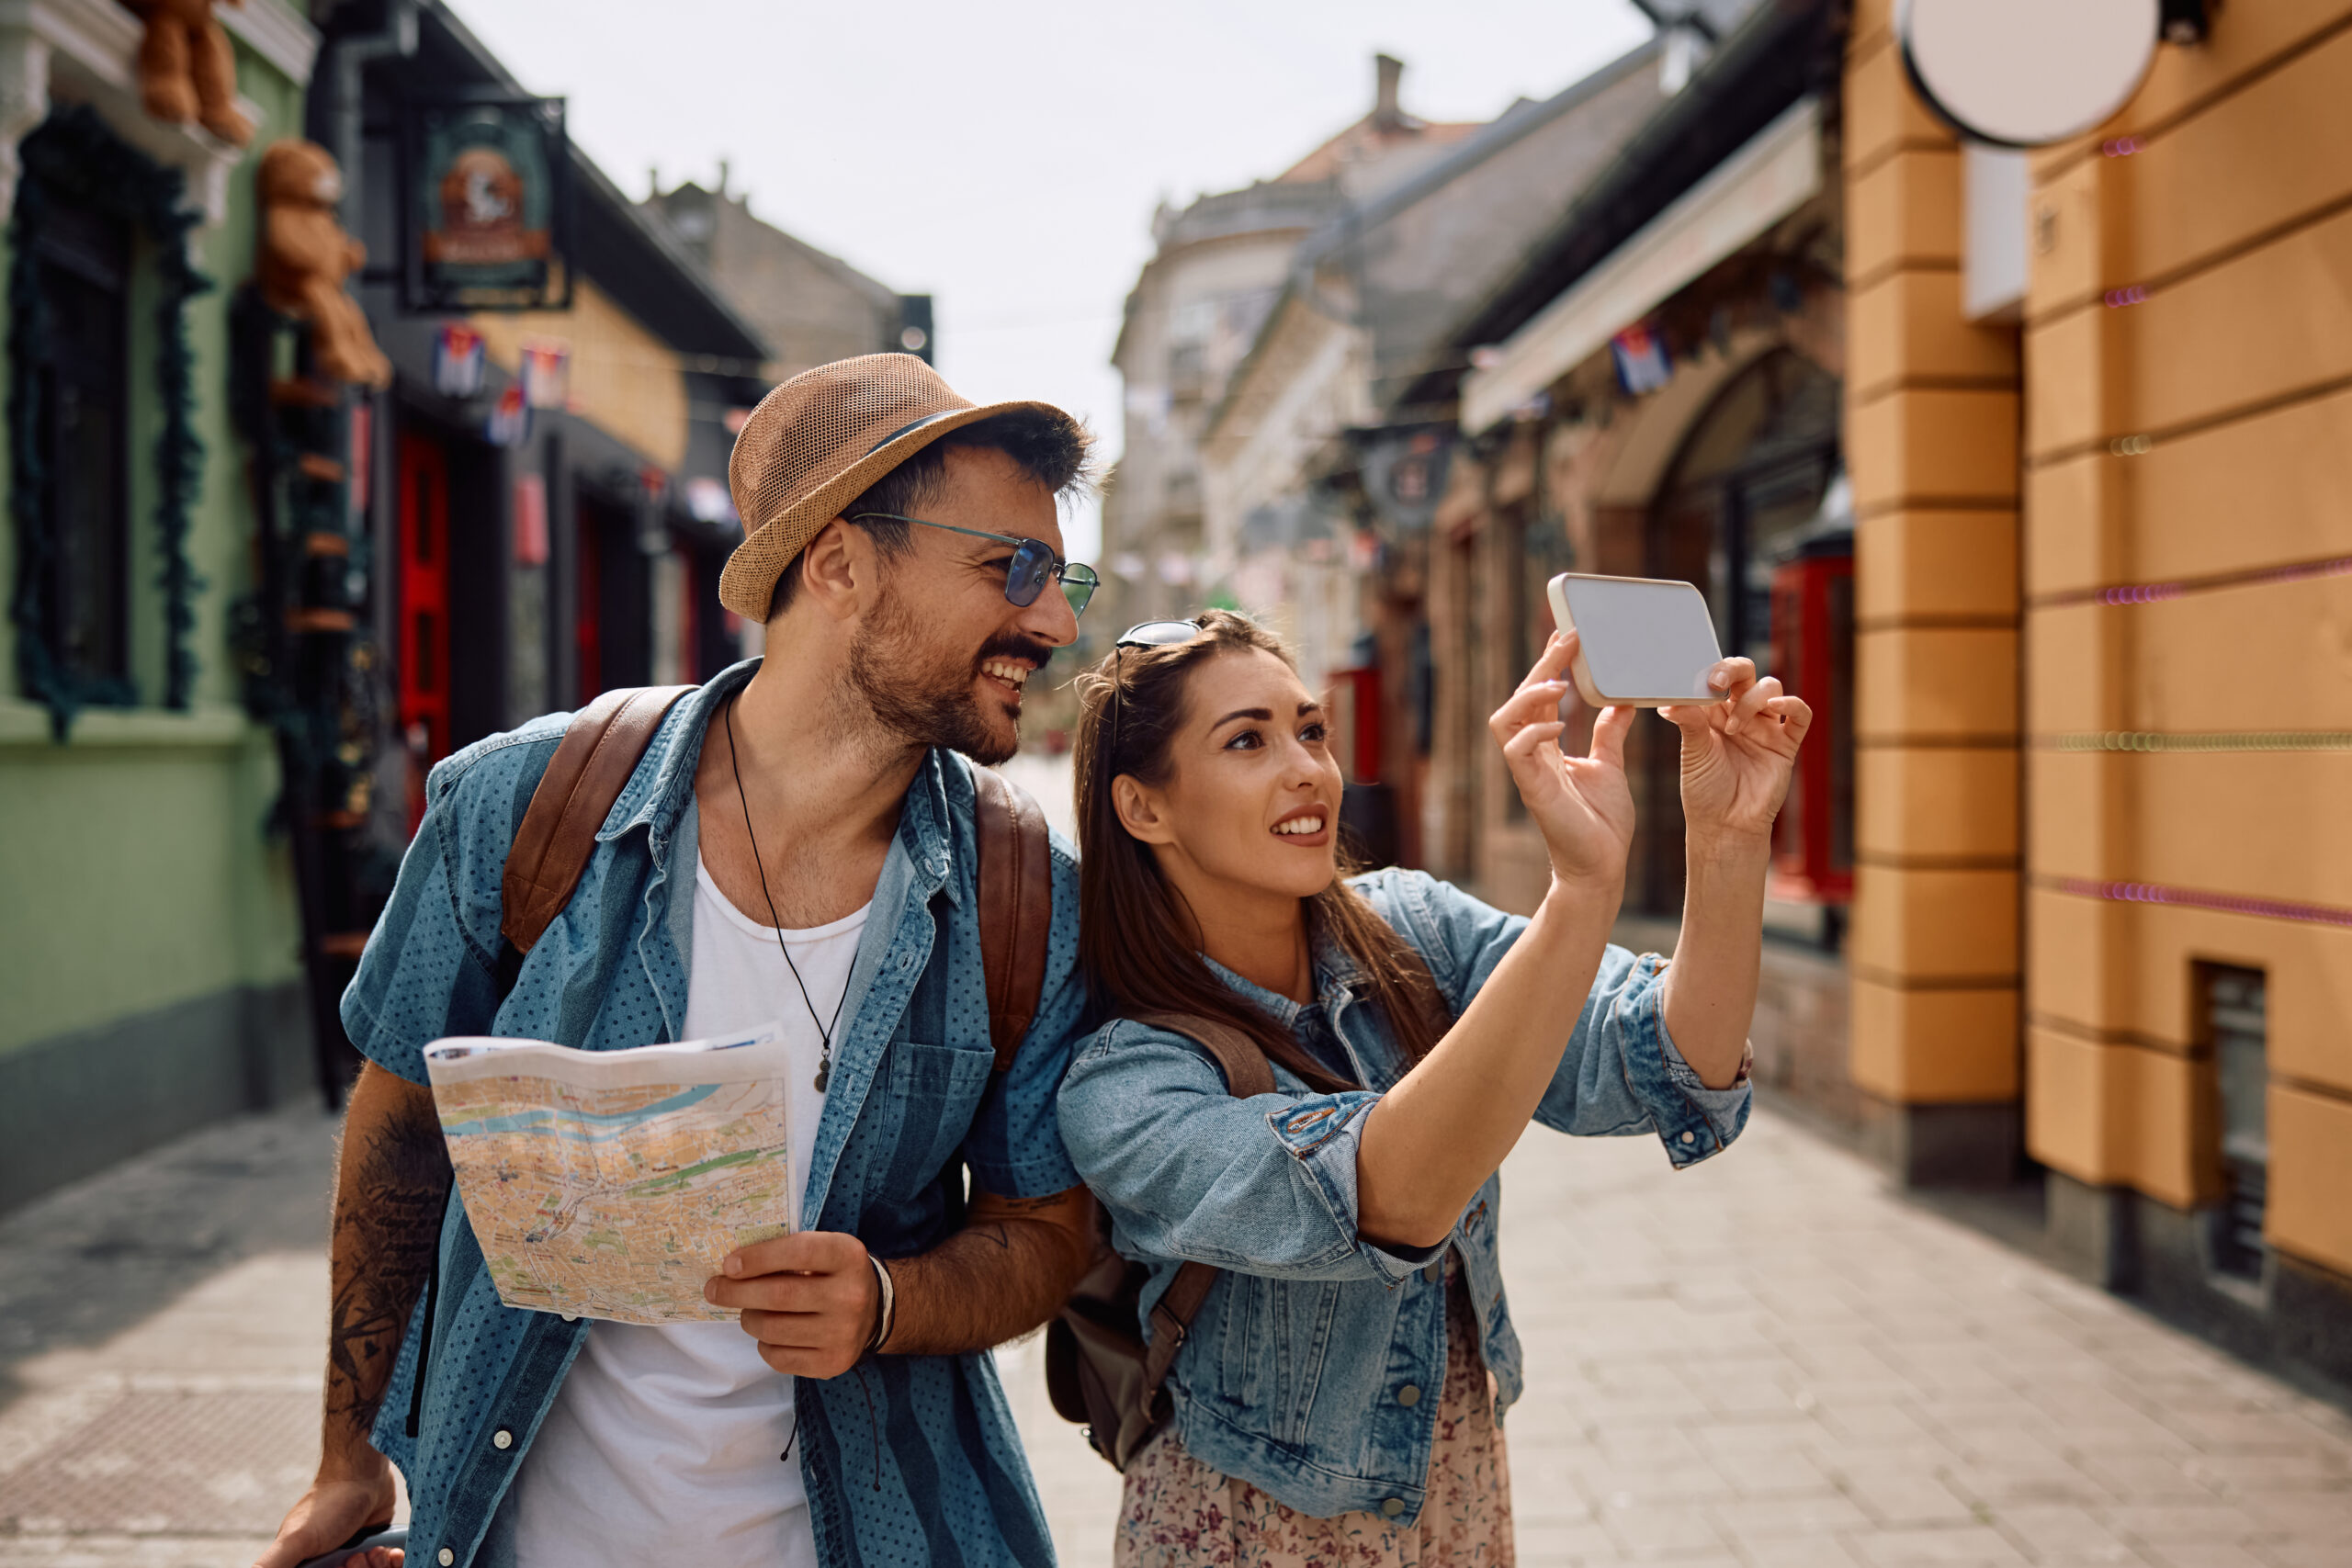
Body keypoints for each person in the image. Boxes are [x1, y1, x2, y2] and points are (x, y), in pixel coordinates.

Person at [259, 355, 1106, 1568]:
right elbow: (401, 1135)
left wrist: (889, 1301)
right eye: (1012, 568)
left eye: (1061, 578)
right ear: (840, 564)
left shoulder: (1024, 893)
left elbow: (1044, 1225)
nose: (1056, 623)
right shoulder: (523, 809)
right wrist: (347, 1458)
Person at [1056, 610, 1810, 1564]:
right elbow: (1390, 1197)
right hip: (1249, 1530)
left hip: (1454, 1492)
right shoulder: (1127, 1076)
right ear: (1143, 807)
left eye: (1312, 730)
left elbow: (1666, 1061)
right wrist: (1579, 894)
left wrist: (1731, 840)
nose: (1307, 768)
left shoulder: (1411, 928)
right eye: (1248, 741)